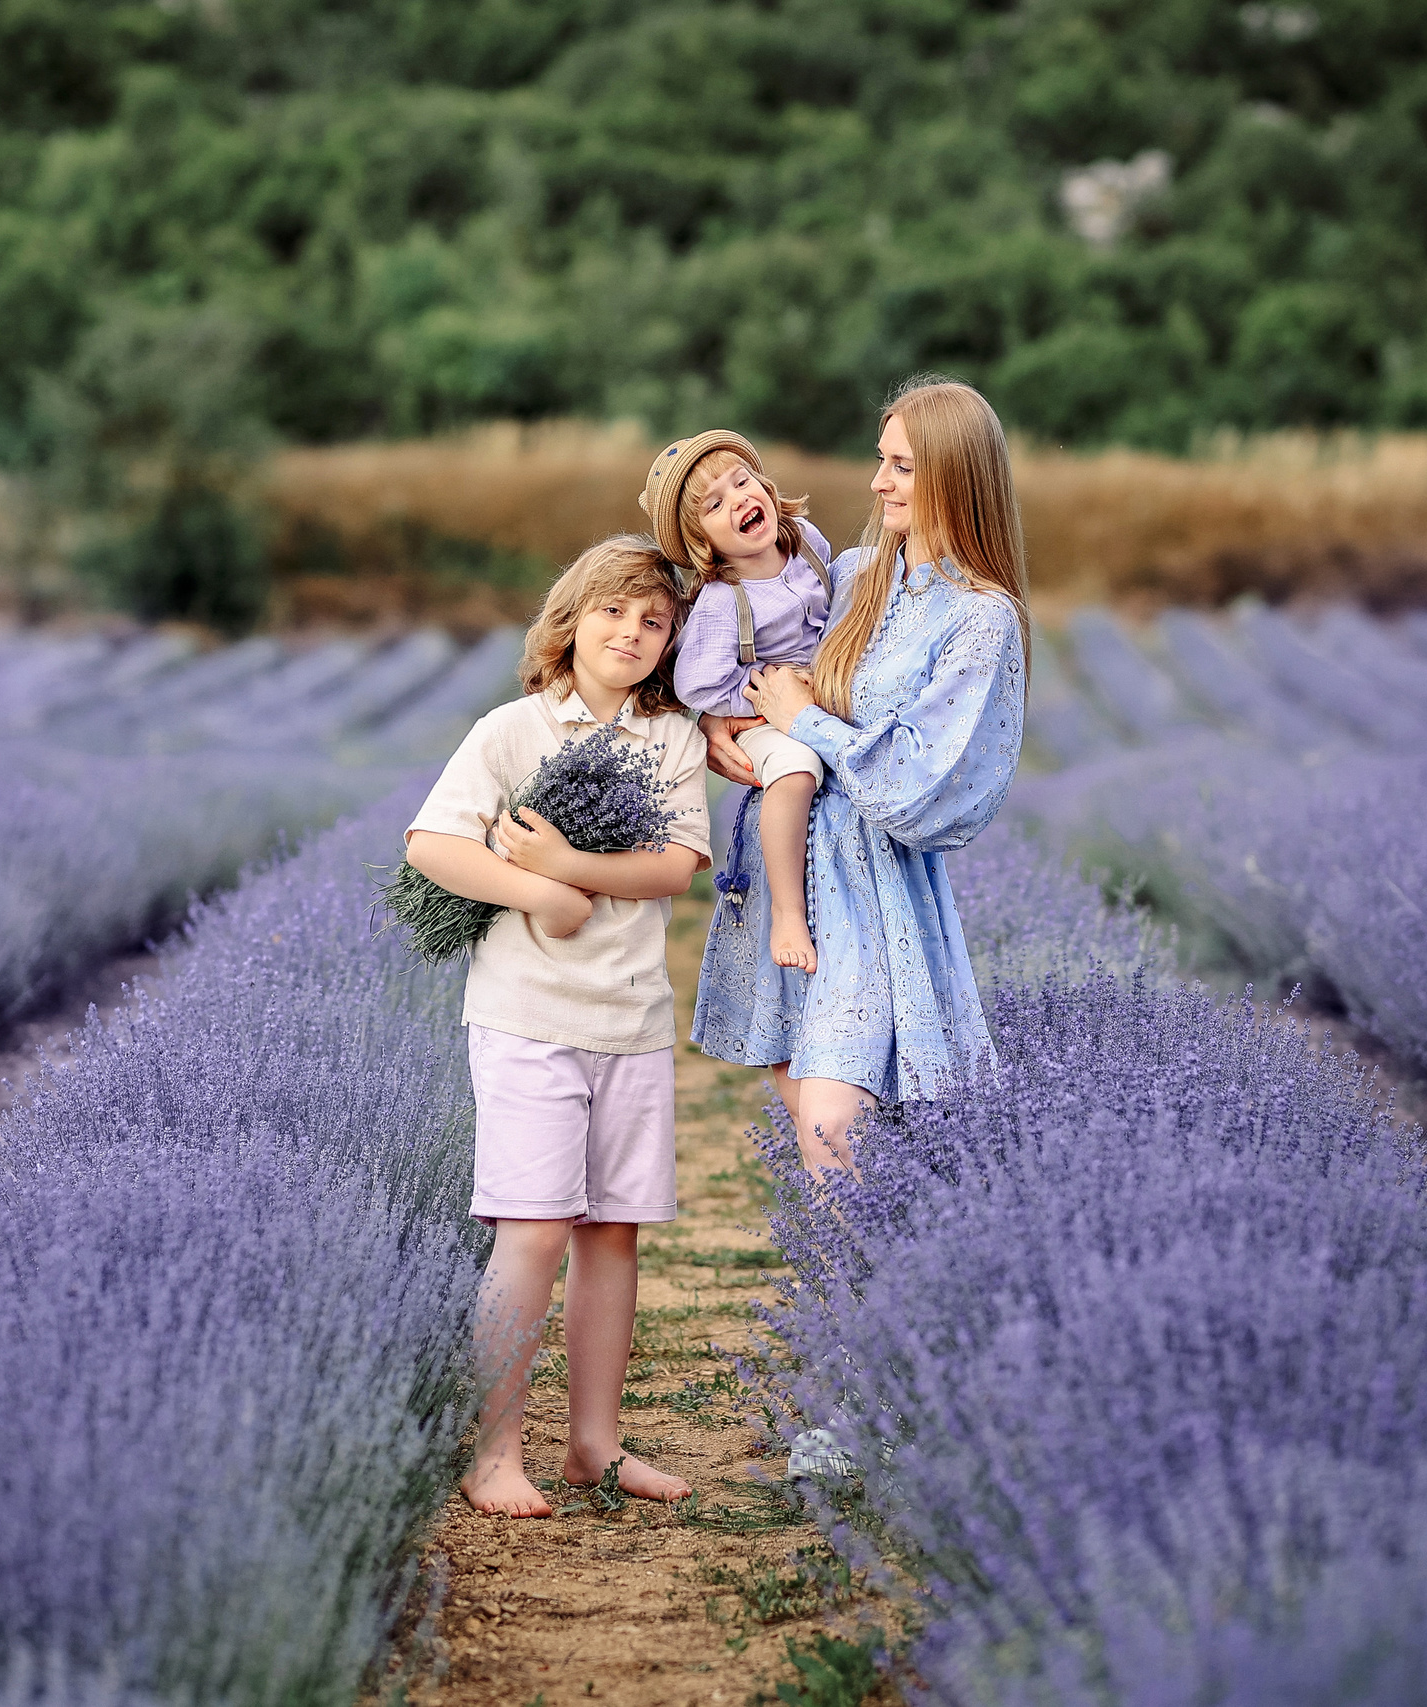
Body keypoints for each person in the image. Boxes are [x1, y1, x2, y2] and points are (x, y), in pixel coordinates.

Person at [402, 535, 711, 1518]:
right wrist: (534, 891)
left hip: (629, 1020)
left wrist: (565, 873)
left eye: (653, 621)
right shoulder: (513, 729)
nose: (631, 631)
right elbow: (431, 844)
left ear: (670, 646)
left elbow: (673, 866)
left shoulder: (672, 739)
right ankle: (492, 1453)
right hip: (527, 1018)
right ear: (568, 622)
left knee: (612, 1233)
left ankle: (593, 1444)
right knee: (533, 1231)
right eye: (612, 612)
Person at [691, 378, 1031, 1175]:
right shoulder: (850, 573)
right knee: (810, 1097)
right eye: (882, 461)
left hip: (878, 887)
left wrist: (802, 719)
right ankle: (867, 1293)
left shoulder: (981, 618)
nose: (878, 482)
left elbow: (920, 782)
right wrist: (717, 721)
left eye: (902, 466)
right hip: (789, 867)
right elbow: (750, 647)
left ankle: (888, 1291)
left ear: (955, 476)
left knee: (834, 1125)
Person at [639, 430, 837, 974]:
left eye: (743, 482)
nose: (739, 500)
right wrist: (759, 696)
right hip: (762, 712)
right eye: (715, 504)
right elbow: (696, 684)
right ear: (703, 540)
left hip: (821, 693)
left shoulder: (809, 546)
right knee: (795, 772)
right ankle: (789, 913)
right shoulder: (724, 602)